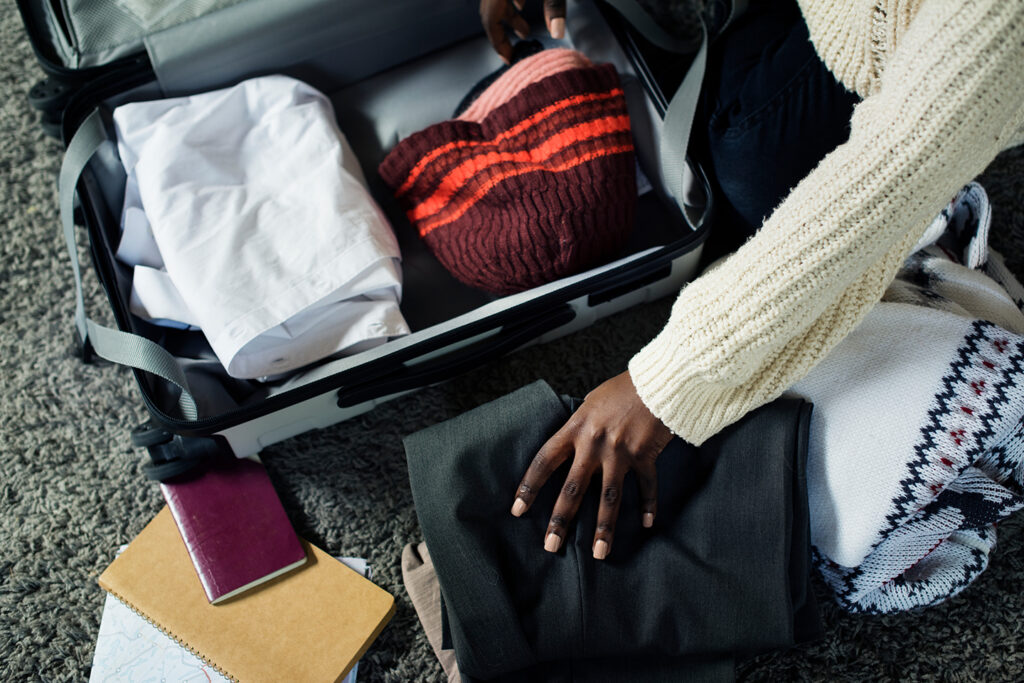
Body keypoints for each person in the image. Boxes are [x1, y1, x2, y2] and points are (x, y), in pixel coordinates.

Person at [481, 0, 1024, 560]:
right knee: (735, 145)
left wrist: (666, 383)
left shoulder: (996, 25)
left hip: (910, 62)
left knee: (744, 171)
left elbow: (876, 197)